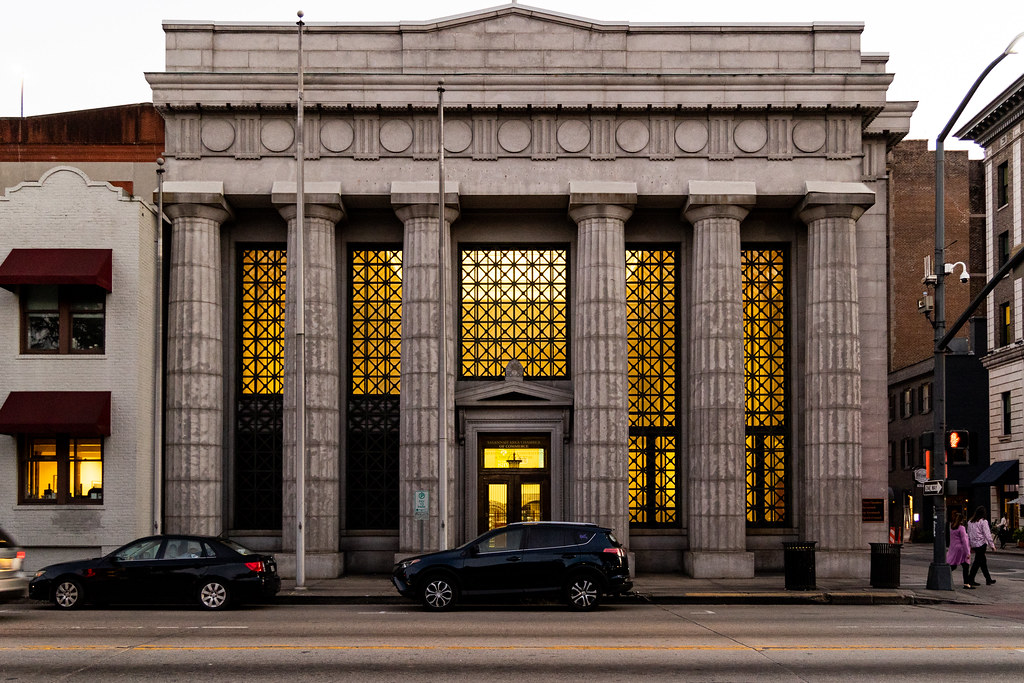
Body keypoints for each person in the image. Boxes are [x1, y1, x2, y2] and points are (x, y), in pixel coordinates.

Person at [966, 506, 996, 586]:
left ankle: (988, 579)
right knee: (977, 562)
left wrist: (970, 545)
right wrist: (992, 545)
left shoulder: (970, 522)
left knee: (982, 562)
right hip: (981, 544)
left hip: (974, 544)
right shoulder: (983, 521)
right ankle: (970, 579)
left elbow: (969, 534)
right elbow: (987, 534)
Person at [946, 511, 972, 588]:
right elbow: (964, 540)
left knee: (953, 565)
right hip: (961, 549)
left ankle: (945, 576)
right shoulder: (962, 528)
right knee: (965, 566)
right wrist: (968, 552)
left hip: (953, 548)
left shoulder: (952, 528)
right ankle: (966, 583)